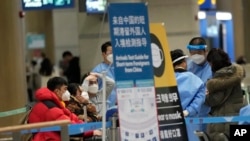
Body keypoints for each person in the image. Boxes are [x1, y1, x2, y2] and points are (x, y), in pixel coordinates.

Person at [28, 77, 101, 141]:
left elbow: (70, 118)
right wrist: (91, 131)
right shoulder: (51, 108)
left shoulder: (52, 103)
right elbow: (68, 127)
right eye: (65, 89)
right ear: (57, 91)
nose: (67, 92)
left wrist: (86, 127)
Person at [205, 48, 245, 141]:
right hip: (238, 117)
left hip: (223, 121)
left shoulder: (220, 79)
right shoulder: (234, 73)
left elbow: (215, 100)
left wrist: (206, 96)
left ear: (213, 63)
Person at [170, 49, 206, 141]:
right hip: (190, 122)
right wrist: (188, 111)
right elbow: (199, 100)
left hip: (170, 122)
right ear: (183, 63)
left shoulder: (166, 81)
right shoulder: (196, 80)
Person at [186, 37, 212, 131]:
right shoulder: (187, 67)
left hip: (209, 113)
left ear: (206, 51)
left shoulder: (213, 66)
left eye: (199, 53)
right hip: (190, 115)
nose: (196, 55)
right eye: (193, 53)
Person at [92, 41, 116, 107]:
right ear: (103, 54)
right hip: (105, 105)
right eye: (110, 52)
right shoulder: (98, 70)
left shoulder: (119, 68)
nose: (113, 54)